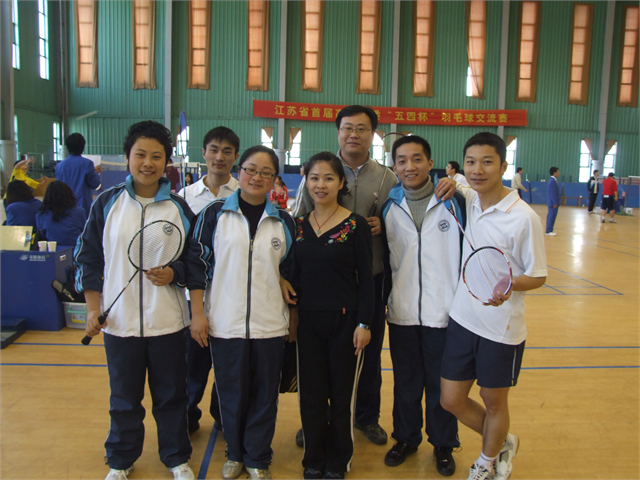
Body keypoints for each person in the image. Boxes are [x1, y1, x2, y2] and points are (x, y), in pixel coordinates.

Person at [74, 121, 196, 480]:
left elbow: (197, 262)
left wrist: (174, 274)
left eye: (156, 156)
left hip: (168, 323)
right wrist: (93, 308)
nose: (147, 163)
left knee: (171, 398)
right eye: (140, 154)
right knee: (124, 399)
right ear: (127, 157)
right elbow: (88, 257)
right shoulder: (107, 204)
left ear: (166, 162)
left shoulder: (179, 208)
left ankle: (176, 458)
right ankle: (120, 460)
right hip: (120, 323)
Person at [440, 132, 547, 480]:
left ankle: (486, 462)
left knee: (493, 400)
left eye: (487, 162)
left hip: (501, 329)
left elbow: (538, 276)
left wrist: (509, 284)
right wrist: (449, 182)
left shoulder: (523, 218)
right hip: (462, 319)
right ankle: (504, 441)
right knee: (451, 400)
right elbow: (456, 184)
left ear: (503, 166)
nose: (478, 170)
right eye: (471, 162)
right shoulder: (470, 198)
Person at [187, 145, 296, 480]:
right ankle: (235, 453)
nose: (256, 177)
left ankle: (258, 457)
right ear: (239, 171)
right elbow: (197, 266)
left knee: (265, 396)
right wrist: (198, 314)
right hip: (225, 323)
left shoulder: (284, 221)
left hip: (270, 326)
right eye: (250, 169)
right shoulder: (214, 214)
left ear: (275, 180)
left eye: (266, 172)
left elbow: (290, 271)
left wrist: (289, 312)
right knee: (231, 395)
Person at [292, 105, 398, 445]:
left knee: (367, 350)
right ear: (338, 132)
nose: (354, 134)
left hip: (370, 278)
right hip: (323, 284)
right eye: (347, 128)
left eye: (362, 129)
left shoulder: (388, 177)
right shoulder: (320, 170)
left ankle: (366, 416)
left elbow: (401, 224)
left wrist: (384, 225)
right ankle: (318, 418)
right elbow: (299, 220)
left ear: (373, 134)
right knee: (319, 359)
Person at [281, 152, 374, 479]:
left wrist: (364, 324)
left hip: (345, 324)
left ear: (341, 183)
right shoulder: (297, 225)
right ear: (305, 181)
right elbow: (292, 274)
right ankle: (313, 460)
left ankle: (338, 461)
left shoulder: (355, 225)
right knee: (312, 396)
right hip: (308, 323)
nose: (321, 185)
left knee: (342, 396)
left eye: (329, 178)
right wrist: (292, 315)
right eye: (315, 178)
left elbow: (367, 280)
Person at [380, 136, 465, 476]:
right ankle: (406, 437)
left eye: (417, 159)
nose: (409, 166)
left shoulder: (454, 202)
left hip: (444, 314)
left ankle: (443, 443)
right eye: (402, 160)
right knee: (406, 382)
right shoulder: (388, 206)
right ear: (394, 166)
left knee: (441, 385)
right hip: (402, 313)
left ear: (430, 163)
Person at [178, 126, 240, 434]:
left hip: (231, 299)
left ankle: (222, 415)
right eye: (214, 150)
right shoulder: (183, 198)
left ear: (236, 157)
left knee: (228, 366)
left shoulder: (246, 194)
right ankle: (187, 413)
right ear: (203, 153)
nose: (219, 157)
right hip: (195, 298)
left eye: (227, 151)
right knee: (193, 365)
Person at [56, 133, 102, 217]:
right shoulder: (87, 164)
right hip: (82, 207)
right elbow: (95, 184)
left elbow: (57, 187)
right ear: (83, 146)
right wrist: (96, 172)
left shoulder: (59, 166)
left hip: (63, 207)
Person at [36, 180, 87, 248]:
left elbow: (42, 237)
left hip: (53, 251)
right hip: (75, 251)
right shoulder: (79, 212)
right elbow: (85, 234)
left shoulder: (41, 215)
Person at [545, 167, 560, 236]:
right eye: (558, 172)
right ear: (554, 173)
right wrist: (555, 202)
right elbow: (553, 193)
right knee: (551, 216)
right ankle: (548, 230)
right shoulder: (552, 181)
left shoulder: (553, 181)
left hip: (552, 202)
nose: (559, 173)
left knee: (551, 216)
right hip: (553, 203)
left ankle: (549, 229)